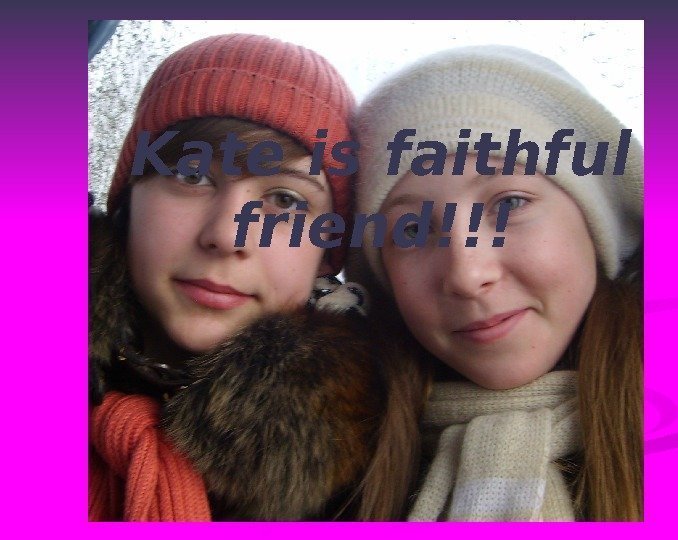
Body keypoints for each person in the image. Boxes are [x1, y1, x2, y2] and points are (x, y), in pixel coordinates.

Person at [89, 34, 423, 522]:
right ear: (129, 198)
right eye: (191, 176)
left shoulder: (382, 463)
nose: (227, 236)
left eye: (286, 201)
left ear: (326, 253)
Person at [348, 45, 643, 521]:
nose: (467, 275)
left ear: (595, 222)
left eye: (509, 205)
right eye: (413, 230)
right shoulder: (329, 474)